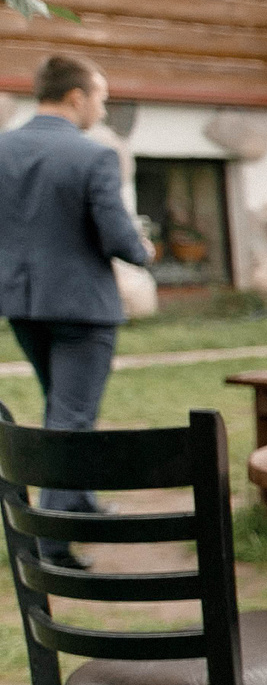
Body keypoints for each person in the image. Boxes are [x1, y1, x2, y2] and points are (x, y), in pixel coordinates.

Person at [0, 53, 153, 566]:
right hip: (82, 310)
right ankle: (53, 543)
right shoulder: (94, 156)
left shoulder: (2, 148)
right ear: (75, 97)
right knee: (71, 417)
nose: (102, 110)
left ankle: (79, 501)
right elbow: (118, 237)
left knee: (61, 407)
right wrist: (144, 250)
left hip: (21, 303)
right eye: (101, 98)